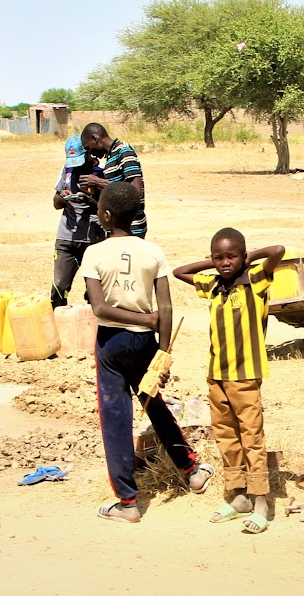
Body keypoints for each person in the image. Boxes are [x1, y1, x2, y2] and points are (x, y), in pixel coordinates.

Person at [79, 181, 211, 523]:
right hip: (144, 343)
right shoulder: (153, 251)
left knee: (116, 419)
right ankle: (193, 472)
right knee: (155, 405)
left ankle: (128, 503)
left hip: (111, 344)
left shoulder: (93, 253)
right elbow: (165, 309)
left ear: (106, 215)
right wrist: (163, 353)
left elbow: (99, 308)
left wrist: (142, 318)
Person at [173, 229, 285, 534]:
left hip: (245, 373)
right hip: (216, 373)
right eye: (218, 257)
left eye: (231, 256)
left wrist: (250, 259)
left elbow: (278, 250)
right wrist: (212, 263)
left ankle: (261, 499)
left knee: (251, 436)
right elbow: (179, 271)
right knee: (225, 434)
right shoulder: (211, 284)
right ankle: (238, 496)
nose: (225, 262)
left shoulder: (256, 280)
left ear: (243, 256)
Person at [50, 135, 104, 309]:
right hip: (67, 237)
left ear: (89, 152)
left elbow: (109, 209)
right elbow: (56, 203)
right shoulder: (67, 170)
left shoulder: (101, 172)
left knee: (95, 291)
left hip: (94, 239)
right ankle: (57, 326)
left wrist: (90, 200)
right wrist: (63, 198)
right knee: (59, 287)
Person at [77, 122, 147, 237]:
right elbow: (116, 191)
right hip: (119, 230)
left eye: (88, 148)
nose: (90, 153)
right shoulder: (111, 157)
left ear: (95, 138)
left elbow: (136, 192)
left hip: (131, 230)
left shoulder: (124, 151)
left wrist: (98, 182)